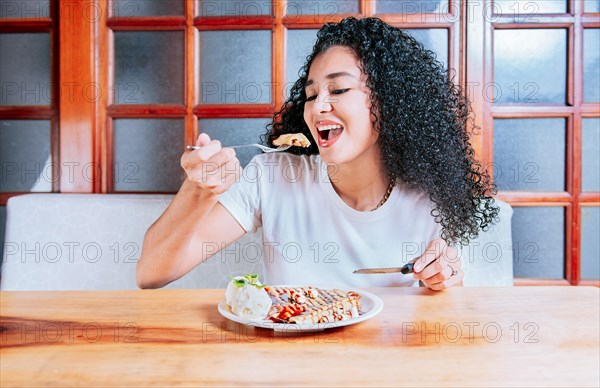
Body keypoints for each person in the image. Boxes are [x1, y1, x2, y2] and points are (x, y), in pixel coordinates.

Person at [136, 17, 498, 290]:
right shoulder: (273, 175)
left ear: (390, 104)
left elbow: (458, 313)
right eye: (311, 95)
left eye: (338, 90)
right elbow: (151, 273)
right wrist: (197, 191)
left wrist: (443, 281)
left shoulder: (432, 195)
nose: (317, 107)